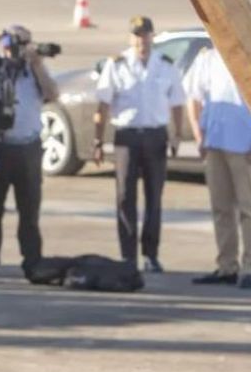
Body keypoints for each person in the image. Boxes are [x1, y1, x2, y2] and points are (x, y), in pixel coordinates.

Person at [94, 16, 185, 273]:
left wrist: (176, 134)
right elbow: (103, 104)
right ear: (130, 38)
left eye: (144, 35)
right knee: (125, 197)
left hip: (155, 136)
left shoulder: (165, 65)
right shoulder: (117, 65)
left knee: (154, 197)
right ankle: (128, 256)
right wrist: (98, 139)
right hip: (127, 137)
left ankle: (151, 254)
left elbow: (177, 102)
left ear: (152, 37)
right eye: (136, 35)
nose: (140, 40)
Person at [0, 25, 59, 278]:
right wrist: (0, 34)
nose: (15, 50)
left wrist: (37, 62)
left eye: (21, 44)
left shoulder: (34, 71)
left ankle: (32, 262)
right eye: (13, 44)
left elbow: (53, 94)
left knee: (29, 211)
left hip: (28, 148)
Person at [184, 46, 251, 290]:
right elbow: (194, 96)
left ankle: (250, 266)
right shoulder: (208, 57)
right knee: (221, 208)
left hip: (243, 141)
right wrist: (198, 134)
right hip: (215, 141)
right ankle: (227, 266)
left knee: (247, 208)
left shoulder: (245, 52)